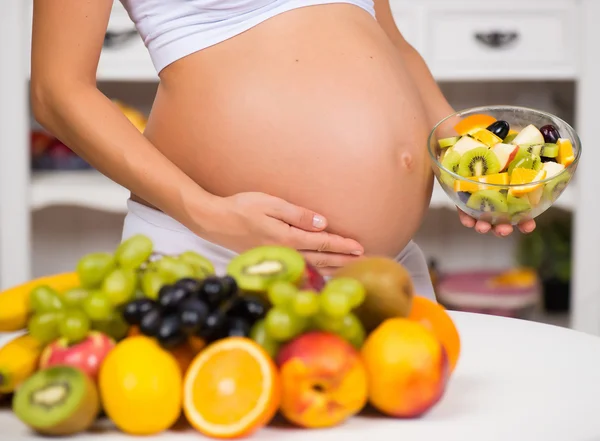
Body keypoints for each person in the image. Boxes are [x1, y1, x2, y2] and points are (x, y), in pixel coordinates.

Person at [30, 0, 535, 301]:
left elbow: (389, 40)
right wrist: (207, 213)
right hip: (218, 256)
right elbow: (57, 91)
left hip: (385, 271)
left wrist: (468, 155)